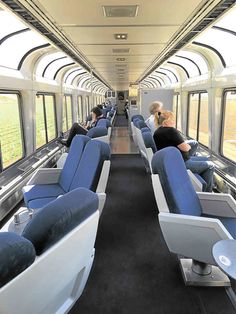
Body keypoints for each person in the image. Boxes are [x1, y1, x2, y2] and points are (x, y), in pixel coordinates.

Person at [153, 110, 215, 192]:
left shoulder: (158, 131)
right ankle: (207, 193)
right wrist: (187, 147)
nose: (174, 122)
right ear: (166, 121)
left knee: (205, 158)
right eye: (172, 120)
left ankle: (203, 182)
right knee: (210, 165)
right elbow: (185, 148)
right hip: (180, 163)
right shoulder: (171, 131)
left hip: (171, 161)